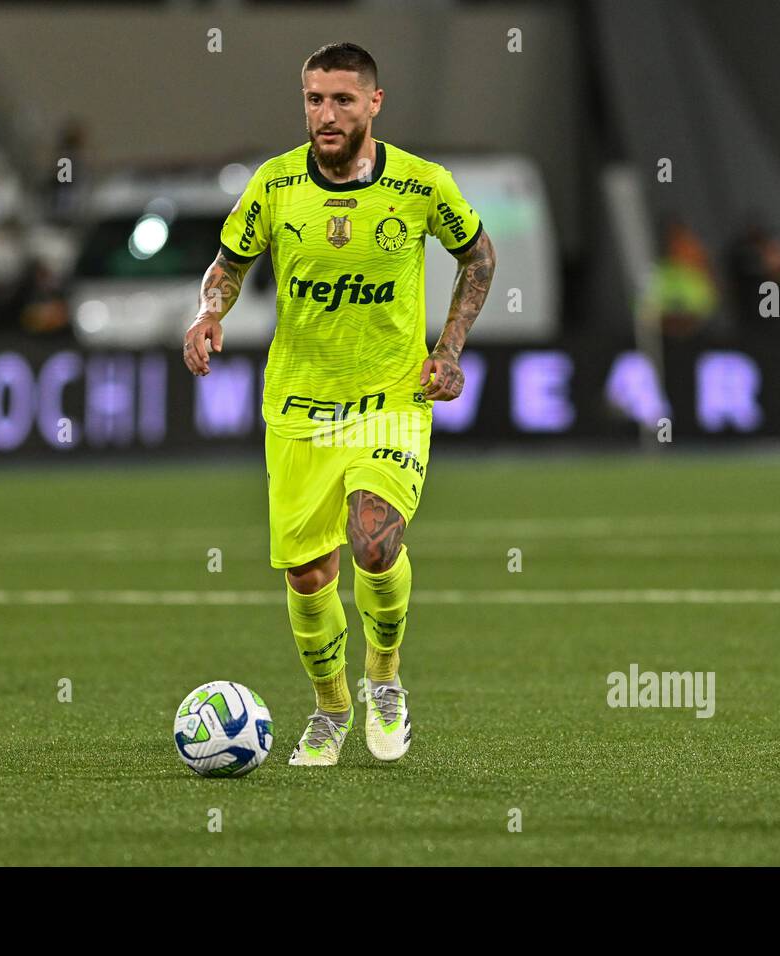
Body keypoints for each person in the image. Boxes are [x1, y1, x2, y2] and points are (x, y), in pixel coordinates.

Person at [183, 42, 495, 766]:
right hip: (298, 405)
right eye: (315, 100)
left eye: (342, 100)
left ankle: (384, 683)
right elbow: (229, 264)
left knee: (374, 537)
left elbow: (477, 256)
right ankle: (330, 709)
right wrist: (207, 313)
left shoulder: (420, 185)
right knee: (308, 574)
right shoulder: (275, 184)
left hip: (391, 398)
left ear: (374, 104)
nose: (326, 114)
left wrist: (448, 350)